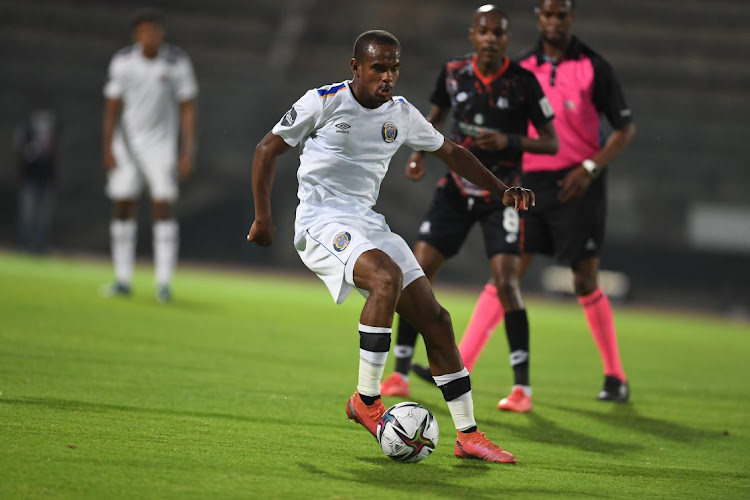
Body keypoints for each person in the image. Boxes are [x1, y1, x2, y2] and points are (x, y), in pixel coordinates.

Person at [246, 30, 534, 463]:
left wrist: (501, 189)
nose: (387, 76)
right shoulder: (322, 101)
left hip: (366, 222)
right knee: (386, 278)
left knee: (436, 320)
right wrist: (263, 217)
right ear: (356, 67)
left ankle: (469, 435)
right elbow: (266, 150)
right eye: (378, 67)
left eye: (394, 68)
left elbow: (452, 153)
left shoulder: (401, 114)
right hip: (321, 221)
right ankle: (366, 400)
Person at [415, 0, 637, 405]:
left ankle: (614, 375)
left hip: (577, 182)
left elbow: (624, 129)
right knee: (508, 275)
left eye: (561, 15)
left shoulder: (594, 66)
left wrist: (589, 167)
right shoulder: (520, 68)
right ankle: (461, 362)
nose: (554, 22)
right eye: (547, 15)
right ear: (538, 18)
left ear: (571, 18)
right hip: (527, 183)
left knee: (585, 278)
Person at [379, 5, 557, 416]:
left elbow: (551, 143)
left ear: (507, 38)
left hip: (503, 194)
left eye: (499, 32)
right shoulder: (454, 72)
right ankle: (400, 372)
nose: (491, 38)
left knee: (506, 282)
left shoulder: (523, 82)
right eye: (485, 31)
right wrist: (419, 155)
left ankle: (521, 389)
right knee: (416, 271)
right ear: (473, 35)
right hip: (457, 189)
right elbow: (434, 117)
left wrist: (510, 140)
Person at [101, 8, 197, 302]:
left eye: (155, 31)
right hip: (126, 145)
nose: (150, 36)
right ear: (136, 35)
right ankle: (122, 278)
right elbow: (113, 106)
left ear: (161, 34)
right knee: (123, 206)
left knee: (163, 206)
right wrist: (107, 146)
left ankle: (164, 283)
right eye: (144, 31)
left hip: (161, 147)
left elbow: (187, 109)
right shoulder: (123, 62)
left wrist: (186, 151)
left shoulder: (176, 62)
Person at [13, 106, 61, 254]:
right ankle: (24, 245)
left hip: (46, 180)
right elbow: (20, 154)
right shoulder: (26, 131)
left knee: (44, 216)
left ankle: (40, 246)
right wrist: (35, 150)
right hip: (29, 180)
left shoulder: (54, 135)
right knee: (27, 214)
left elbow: (56, 159)